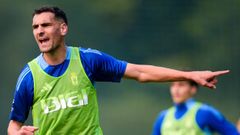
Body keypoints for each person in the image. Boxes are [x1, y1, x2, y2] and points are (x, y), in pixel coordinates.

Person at [7, 6, 229, 135]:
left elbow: (140, 73)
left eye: (45, 25)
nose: (39, 31)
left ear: (63, 28)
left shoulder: (88, 60)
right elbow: (14, 124)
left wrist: (190, 75)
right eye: (35, 27)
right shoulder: (29, 76)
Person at [152, 80, 239, 135]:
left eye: (181, 85)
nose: (176, 89)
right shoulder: (162, 117)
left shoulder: (205, 113)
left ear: (193, 89)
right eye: (173, 85)